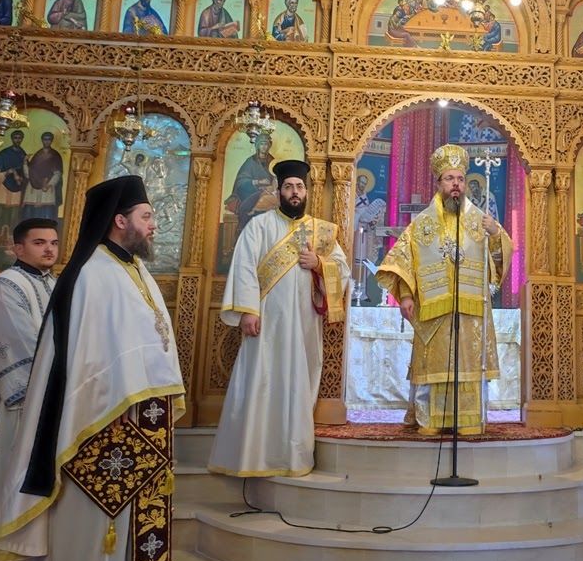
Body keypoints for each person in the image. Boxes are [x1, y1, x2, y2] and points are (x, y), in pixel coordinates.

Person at [0, 176, 185, 561]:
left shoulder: (134, 270)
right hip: (101, 419)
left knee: (136, 514)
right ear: (120, 221)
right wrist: (116, 401)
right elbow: (86, 359)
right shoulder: (92, 274)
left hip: (143, 417)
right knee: (99, 515)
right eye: (146, 216)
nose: (154, 225)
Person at [209, 160, 349, 477]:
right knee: (260, 381)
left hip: (303, 325)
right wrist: (248, 310)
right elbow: (244, 268)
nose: (294, 192)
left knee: (298, 384)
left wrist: (319, 264)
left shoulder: (321, 231)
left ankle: (292, 456)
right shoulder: (258, 227)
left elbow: (343, 271)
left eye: (299, 187)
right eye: (288, 187)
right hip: (266, 323)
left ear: (306, 191)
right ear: (279, 190)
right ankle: (252, 456)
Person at [377, 145, 513, 436]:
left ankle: (469, 419)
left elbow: (500, 262)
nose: (456, 184)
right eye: (450, 178)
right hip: (434, 309)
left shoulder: (481, 221)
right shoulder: (422, 224)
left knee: (468, 363)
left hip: (471, 310)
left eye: (460, 179)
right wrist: (406, 295)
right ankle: (432, 419)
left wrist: (496, 234)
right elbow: (402, 259)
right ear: (438, 183)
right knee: (434, 363)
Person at [0, 219, 58, 534]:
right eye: (39, 243)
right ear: (18, 248)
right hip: (16, 395)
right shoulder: (5, 287)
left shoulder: (56, 284)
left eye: (53, 243)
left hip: (51, 390)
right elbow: (18, 343)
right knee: (3, 471)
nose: (49, 249)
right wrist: (54, 384)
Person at [225, 132, 277, 234]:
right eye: (261, 144)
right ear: (257, 145)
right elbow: (241, 181)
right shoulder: (250, 161)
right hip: (251, 192)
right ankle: (245, 231)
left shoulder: (273, 162)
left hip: (269, 193)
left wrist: (271, 187)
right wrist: (257, 182)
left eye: (266, 144)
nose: (264, 147)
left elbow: (277, 179)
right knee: (247, 207)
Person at [21, 131, 64, 221]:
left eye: (49, 139)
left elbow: (58, 173)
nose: (47, 141)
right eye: (45, 139)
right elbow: (29, 173)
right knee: (31, 213)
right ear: (42, 140)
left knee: (46, 213)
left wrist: (49, 185)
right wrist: (25, 163)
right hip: (33, 188)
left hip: (47, 188)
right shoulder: (37, 155)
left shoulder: (55, 155)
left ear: (51, 141)